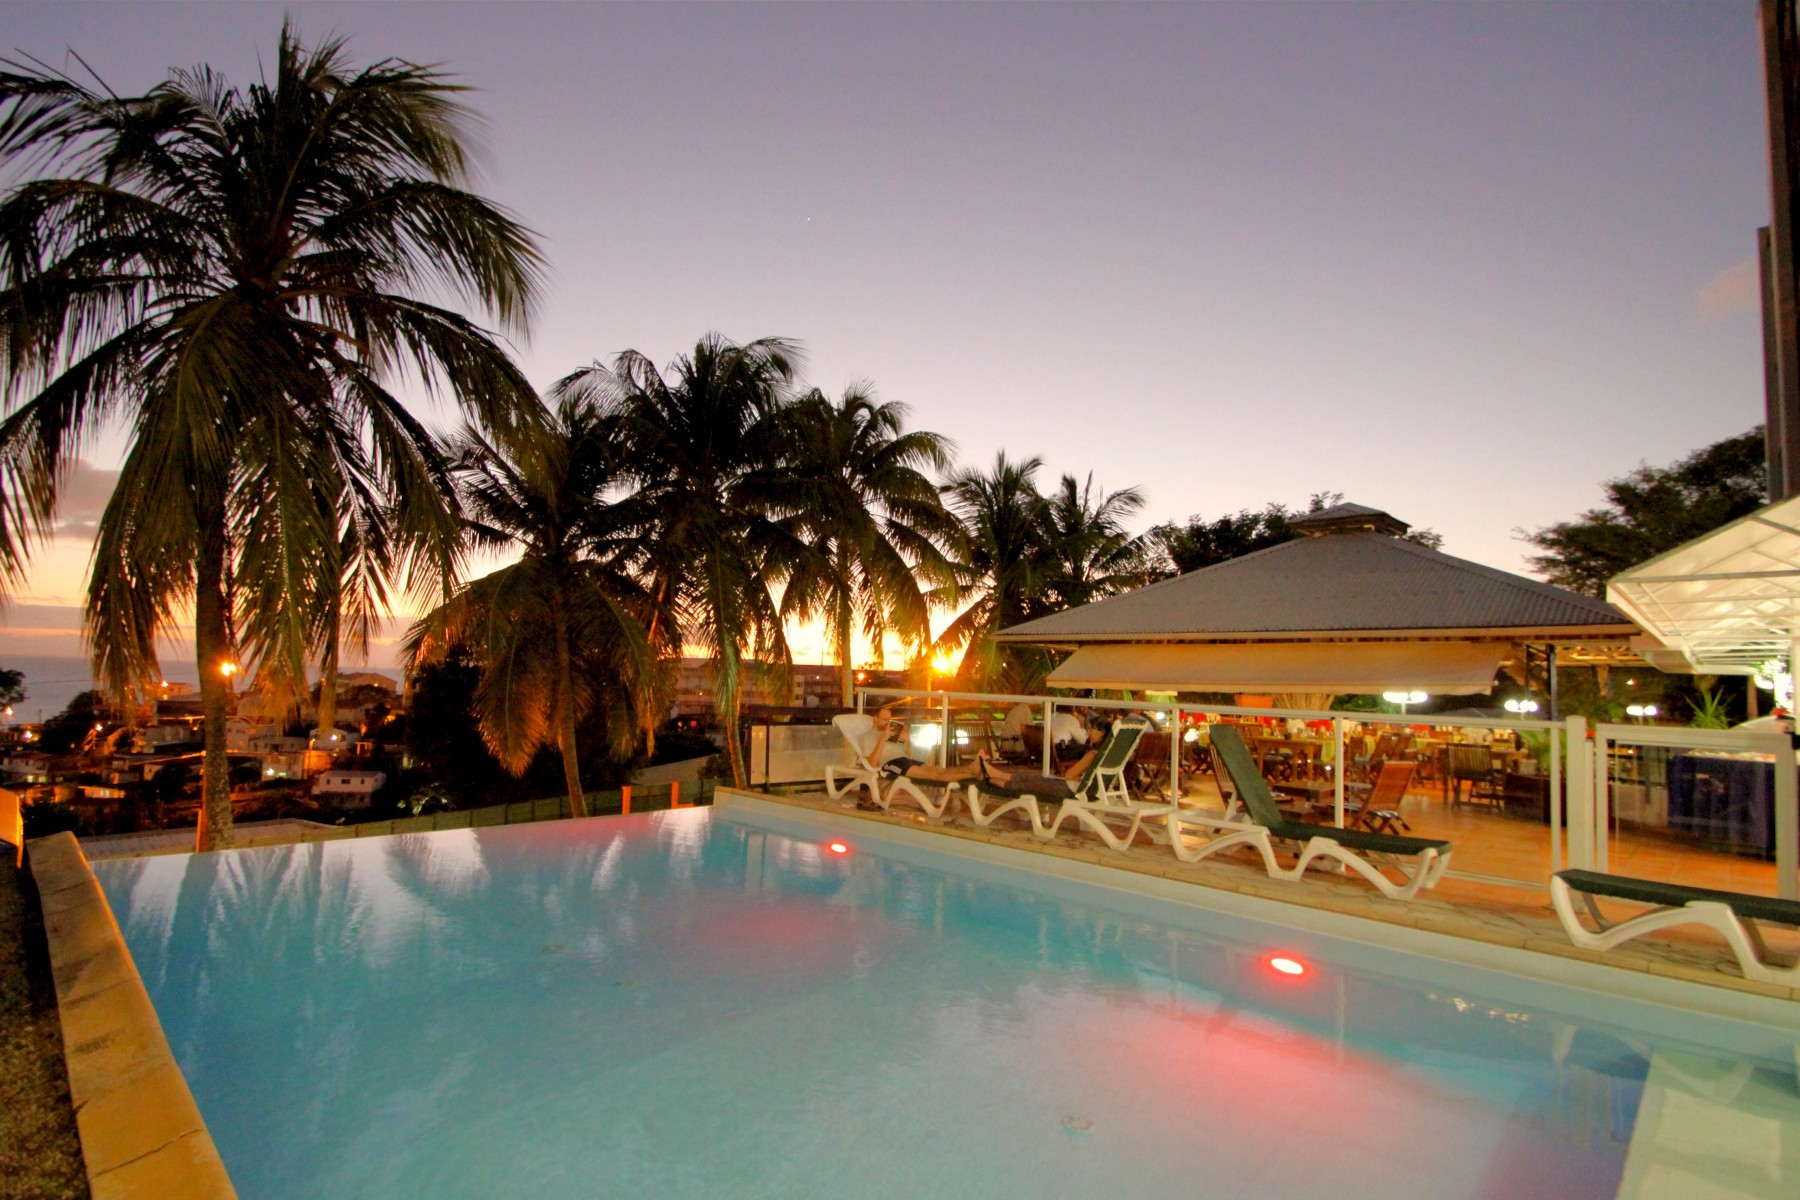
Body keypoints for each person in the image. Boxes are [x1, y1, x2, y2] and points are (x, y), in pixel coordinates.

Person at [838, 706, 983, 797]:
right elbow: (873, 763)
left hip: (903, 760)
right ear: (875, 719)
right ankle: (972, 772)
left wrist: (908, 742)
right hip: (891, 763)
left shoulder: (890, 734)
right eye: (884, 719)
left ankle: (972, 770)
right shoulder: (867, 737)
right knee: (933, 775)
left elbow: (906, 756)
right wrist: (882, 738)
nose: (887, 723)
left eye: (889, 720)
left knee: (939, 770)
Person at [975, 723, 1106, 798]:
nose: (1088, 732)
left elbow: (1068, 776)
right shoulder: (1104, 755)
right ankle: (993, 775)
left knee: (1031, 784)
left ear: (1102, 733)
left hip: (1069, 789)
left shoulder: (1092, 755)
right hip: (1079, 789)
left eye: (1092, 729)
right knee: (1034, 780)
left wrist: (1076, 775)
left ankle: (991, 779)